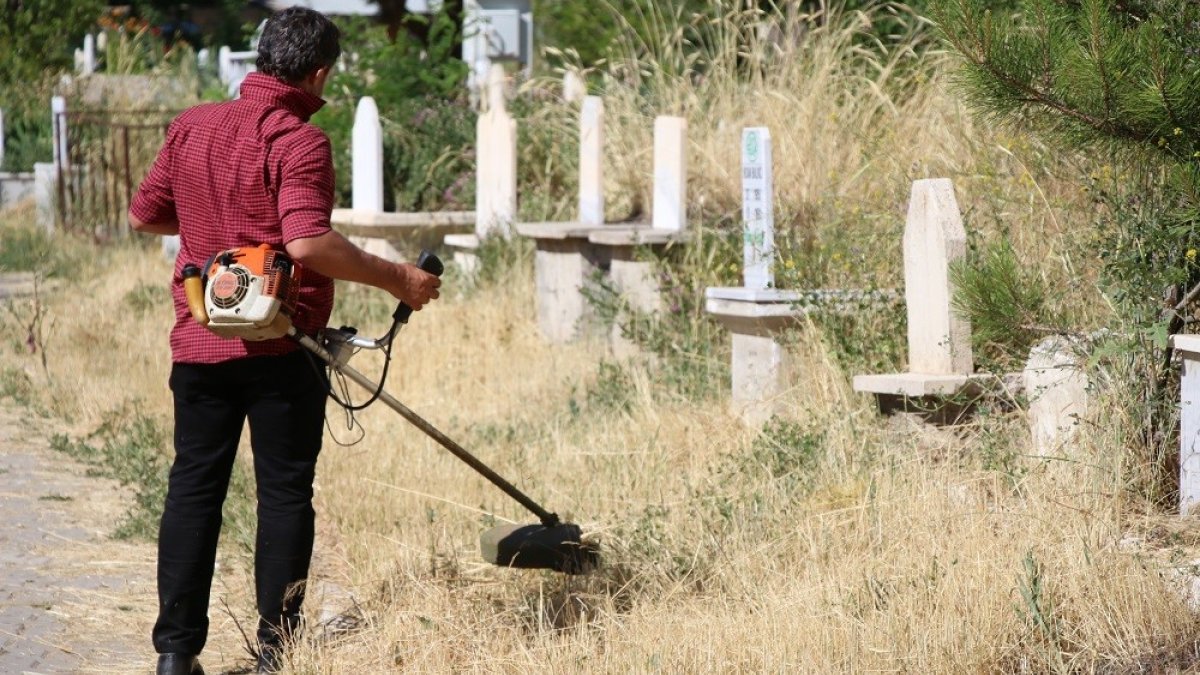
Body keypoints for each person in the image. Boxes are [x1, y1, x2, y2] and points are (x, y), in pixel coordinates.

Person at [128, 8, 441, 675]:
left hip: (200, 340)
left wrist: (214, 227)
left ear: (262, 57)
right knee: (284, 493)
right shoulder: (300, 140)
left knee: (194, 487)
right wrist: (399, 279)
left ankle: (176, 654)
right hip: (283, 345)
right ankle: (276, 650)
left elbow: (145, 214)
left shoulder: (191, 125)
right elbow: (306, 244)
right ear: (319, 72)